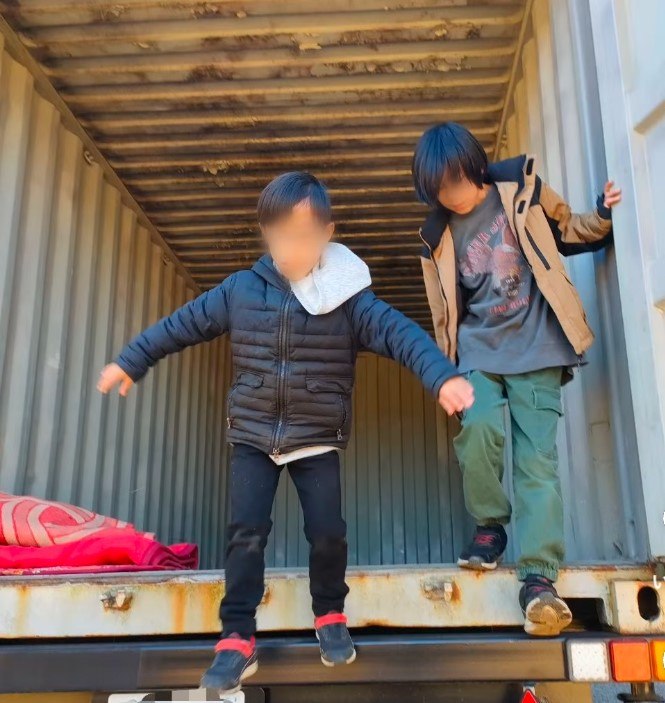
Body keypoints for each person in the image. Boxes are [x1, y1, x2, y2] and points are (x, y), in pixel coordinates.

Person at [98, 171, 474, 694]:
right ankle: (236, 636)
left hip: (316, 435)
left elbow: (401, 335)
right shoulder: (240, 290)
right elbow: (180, 325)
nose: (291, 249)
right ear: (265, 234)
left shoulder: (348, 297)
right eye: (280, 237)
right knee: (245, 534)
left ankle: (329, 614)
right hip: (253, 434)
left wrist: (441, 376)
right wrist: (130, 361)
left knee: (327, 531)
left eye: (303, 237)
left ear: (327, 233)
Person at [412, 122, 622, 637]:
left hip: (538, 348)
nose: (450, 196)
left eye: (455, 182)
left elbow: (568, 229)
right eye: (438, 190)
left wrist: (602, 214)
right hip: (478, 352)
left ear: (474, 166)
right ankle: (490, 526)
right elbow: (443, 314)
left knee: (536, 464)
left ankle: (539, 578)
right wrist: (446, 370)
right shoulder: (435, 238)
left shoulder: (520, 188)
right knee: (478, 429)